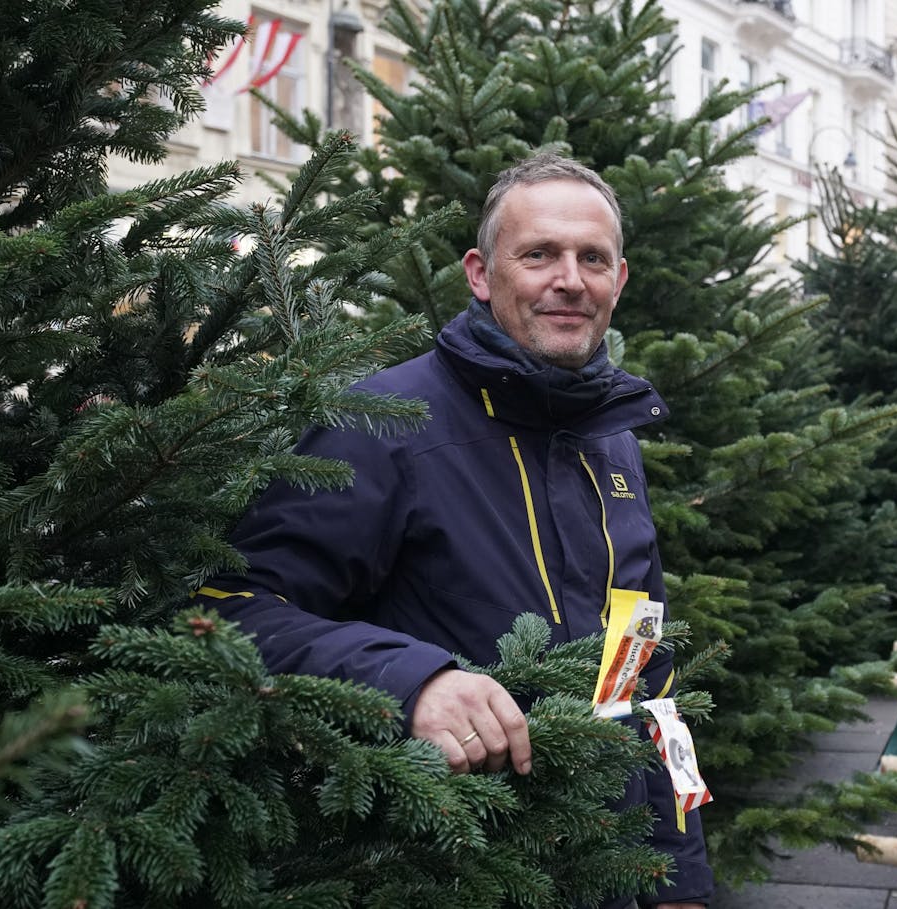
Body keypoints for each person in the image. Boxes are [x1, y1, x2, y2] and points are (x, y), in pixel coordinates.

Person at [199, 152, 712, 908]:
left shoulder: (614, 441)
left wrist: (682, 872)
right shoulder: (382, 423)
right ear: (480, 273)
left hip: (606, 876)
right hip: (440, 874)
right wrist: (413, 681)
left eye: (591, 258)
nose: (569, 278)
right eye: (538, 254)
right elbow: (231, 611)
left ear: (619, 280)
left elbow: (647, 668)